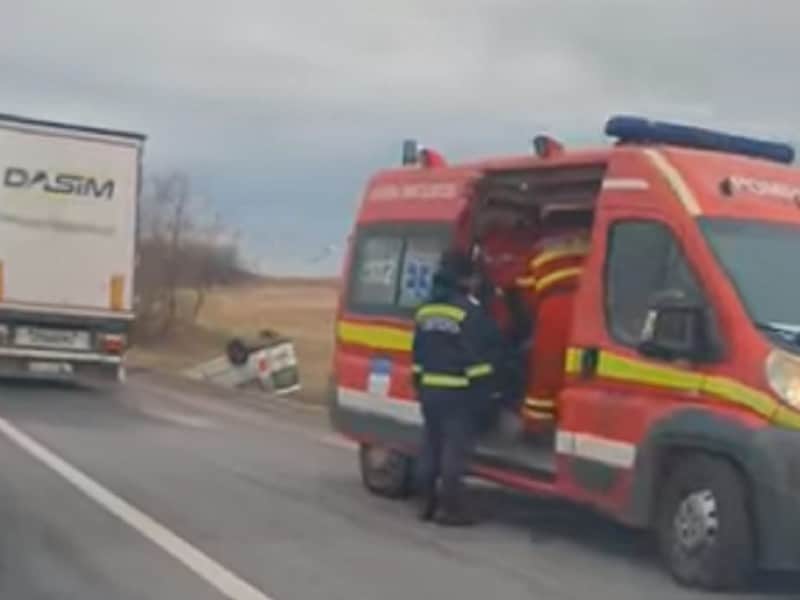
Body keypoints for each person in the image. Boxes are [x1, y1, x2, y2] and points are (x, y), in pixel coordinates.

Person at [412, 250, 500, 526]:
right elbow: (478, 359)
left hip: (429, 389)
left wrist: (420, 384)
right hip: (458, 393)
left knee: (430, 447)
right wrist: (487, 393)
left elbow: (418, 353)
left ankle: (426, 505)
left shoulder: (426, 310)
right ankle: (451, 511)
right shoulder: (468, 313)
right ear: (465, 278)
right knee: (453, 452)